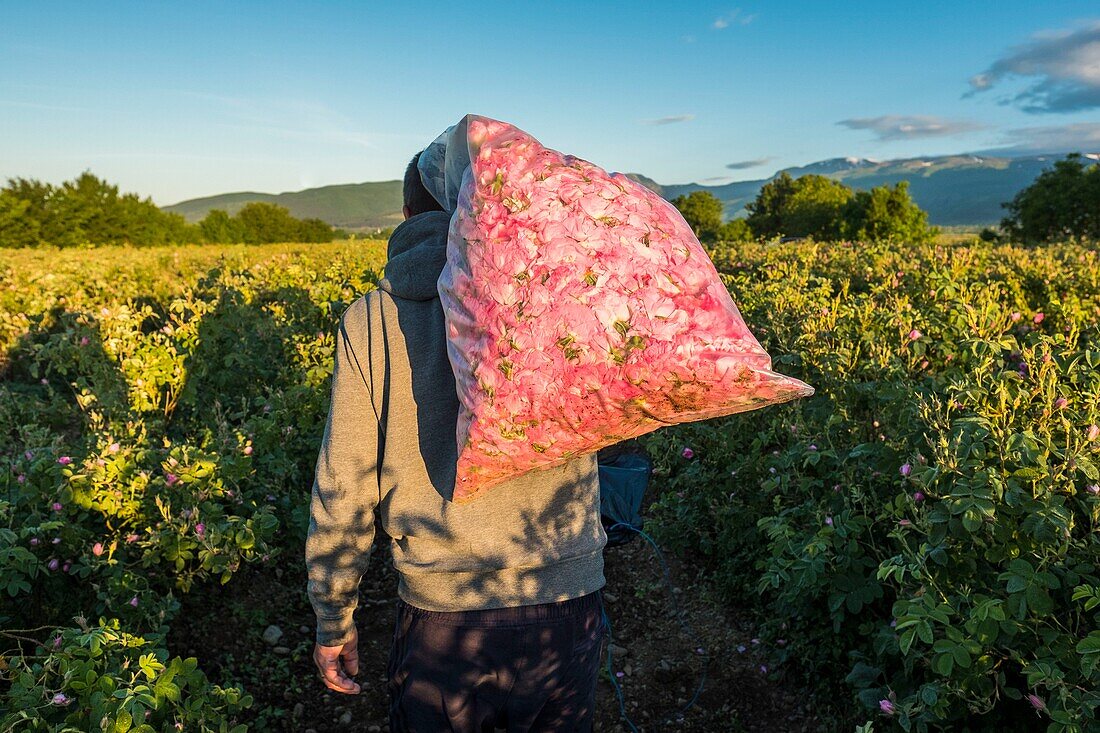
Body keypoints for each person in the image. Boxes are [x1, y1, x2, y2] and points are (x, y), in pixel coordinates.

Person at [305, 150, 610, 732]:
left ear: (407, 214)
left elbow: (342, 484)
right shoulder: (553, 296)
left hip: (446, 621)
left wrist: (333, 617)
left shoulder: (373, 320)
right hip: (568, 604)